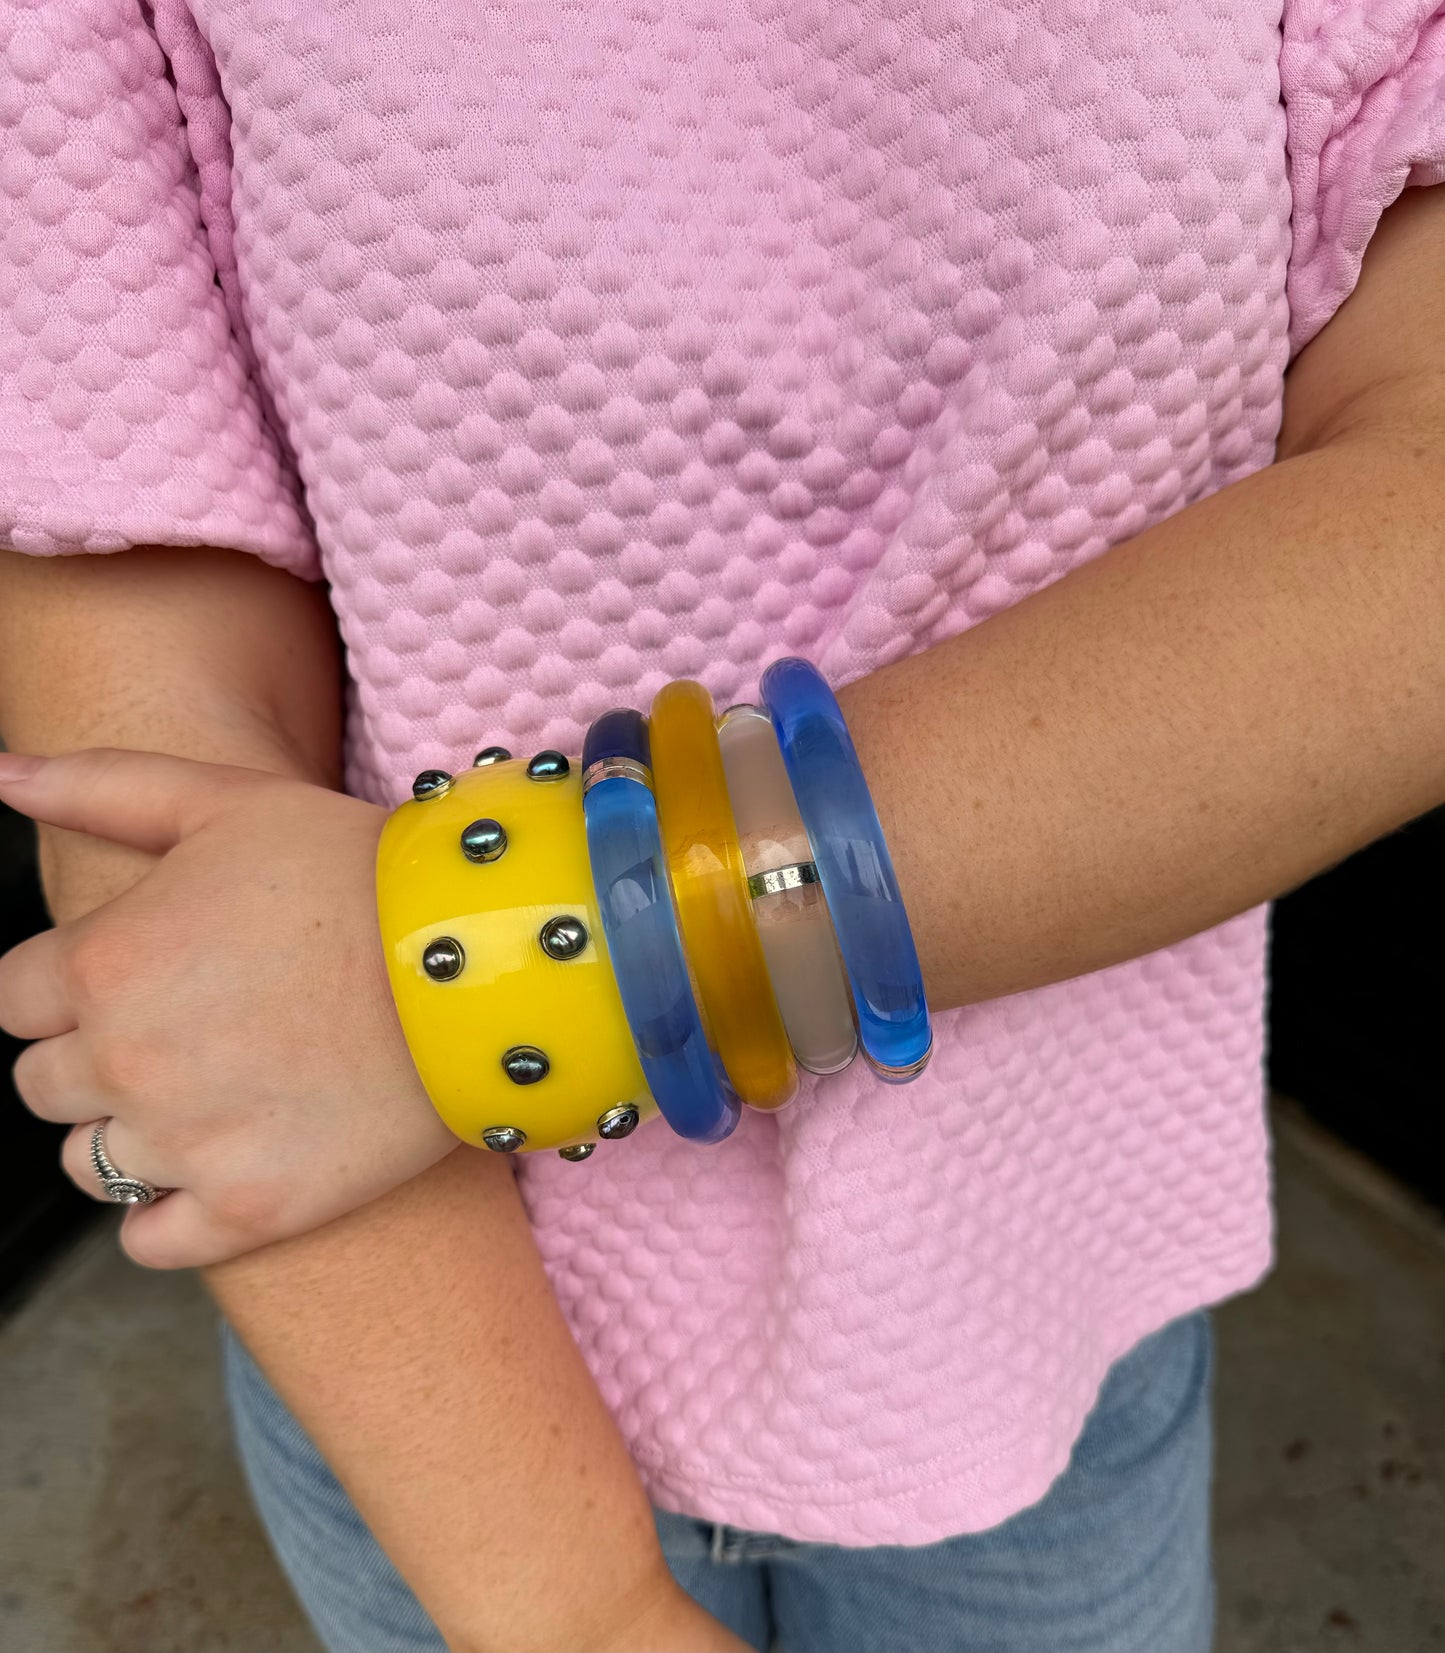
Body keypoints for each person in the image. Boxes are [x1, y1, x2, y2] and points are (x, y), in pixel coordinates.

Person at [0, 0, 1442, 1648]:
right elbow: (148, 757)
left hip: (1042, 1300)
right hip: (443, 1380)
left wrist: (524, 964)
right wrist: (572, 1609)